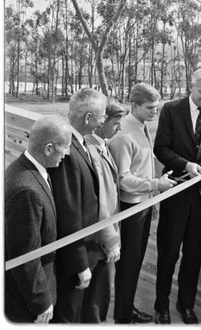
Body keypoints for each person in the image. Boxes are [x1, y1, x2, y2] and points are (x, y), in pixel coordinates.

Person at [153, 68, 201, 324]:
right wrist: (186, 165)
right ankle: (161, 306)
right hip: (175, 193)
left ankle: (186, 305)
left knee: (193, 255)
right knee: (168, 252)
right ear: (191, 86)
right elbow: (160, 148)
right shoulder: (171, 110)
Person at [109, 83, 176, 324]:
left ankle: (127, 308)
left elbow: (144, 164)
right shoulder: (123, 134)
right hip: (130, 209)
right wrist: (155, 186)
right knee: (128, 264)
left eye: (157, 108)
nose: (154, 112)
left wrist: (153, 200)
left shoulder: (142, 127)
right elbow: (123, 179)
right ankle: (123, 316)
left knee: (135, 262)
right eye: (150, 108)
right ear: (133, 105)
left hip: (143, 205)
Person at [5, 115, 72, 323]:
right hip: (26, 303)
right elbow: (25, 255)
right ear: (49, 149)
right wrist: (41, 301)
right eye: (65, 148)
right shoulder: (26, 190)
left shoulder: (27, 168)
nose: (68, 153)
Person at [48, 87, 107, 323]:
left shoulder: (80, 143)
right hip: (71, 263)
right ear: (88, 118)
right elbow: (69, 212)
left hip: (84, 254)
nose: (102, 122)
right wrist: (80, 264)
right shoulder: (67, 150)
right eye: (101, 117)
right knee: (68, 317)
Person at [81, 98, 127, 322]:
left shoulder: (101, 146)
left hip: (98, 241)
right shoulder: (93, 151)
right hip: (99, 242)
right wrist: (111, 241)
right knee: (97, 302)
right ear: (101, 122)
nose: (119, 128)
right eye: (116, 122)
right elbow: (101, 201)